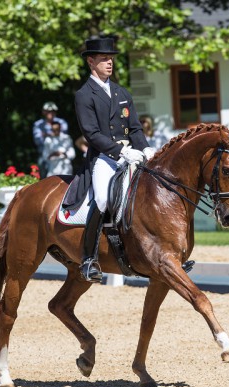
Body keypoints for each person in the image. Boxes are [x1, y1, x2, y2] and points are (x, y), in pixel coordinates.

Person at [66, 36, 156, 282]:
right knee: (104, 199)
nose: (109, 63)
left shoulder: (121, 92)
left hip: (131, 155)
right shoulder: (85, 95)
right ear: (91, 62)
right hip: (104, 158)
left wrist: (146, 149)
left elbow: (135, 128)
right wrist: (120, 151)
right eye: (104, 59)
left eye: (111, 59)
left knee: (151, 192)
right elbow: (91, 133)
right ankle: (88, 258)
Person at [33, 101, 69, 178]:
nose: (51, 113)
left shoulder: (62, 122)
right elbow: (38, 140)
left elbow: (64, 137)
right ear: (43, 112)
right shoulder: (38, 124)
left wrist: (46, 134)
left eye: (53, 111)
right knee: (42, 169)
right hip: (45, 155)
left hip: (62, 154)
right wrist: (54, 134)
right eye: (48, 111)